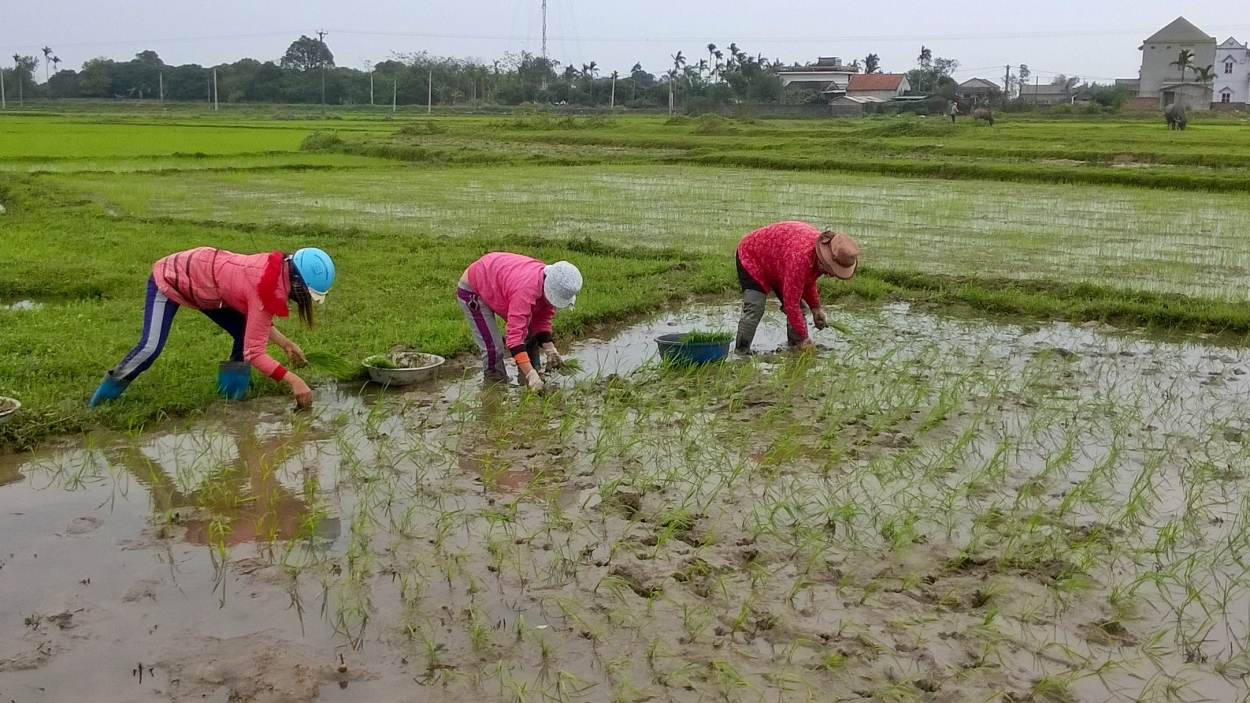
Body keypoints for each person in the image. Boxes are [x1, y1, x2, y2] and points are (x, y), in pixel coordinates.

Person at [89, 247, 336, 409]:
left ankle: (232, 400)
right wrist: (294, 380)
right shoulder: (264, 287)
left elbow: (255, 324)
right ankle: (99, 403)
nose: (304, 300)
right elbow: (255, 352)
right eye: (307, 294)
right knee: (150, 347)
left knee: (242, 332)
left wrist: (285, 343)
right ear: (296, 282)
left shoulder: (275, 272)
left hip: (210, 288)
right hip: (173, 277)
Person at [457, 252, 582, 390]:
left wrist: (550, 350)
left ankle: (530, 380)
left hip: (501, 284)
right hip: (474, 289)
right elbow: (514, 339)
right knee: (494, 348)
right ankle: (494, 388)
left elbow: (542, 321)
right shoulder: (525, 291)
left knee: (530, 335)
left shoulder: (548, 284)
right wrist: (531, 375)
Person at [734, 222, 859, 354]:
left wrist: (816, 307)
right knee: (755, 307)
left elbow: (807, 281)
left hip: (777, 263)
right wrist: (805, 338)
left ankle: (795, 347)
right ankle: (741, 352)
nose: (833, 275)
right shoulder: (801, 258)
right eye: (834, 270)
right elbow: (791, 304)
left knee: (801, 307)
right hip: (753, 255)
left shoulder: (819, 256)